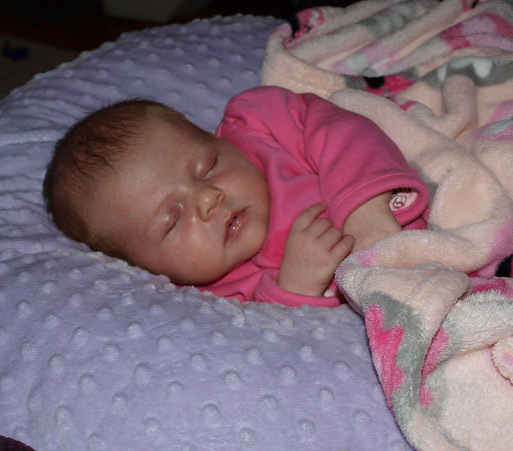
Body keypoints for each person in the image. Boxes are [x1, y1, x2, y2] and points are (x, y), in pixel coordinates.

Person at [43, 86, 428, 307]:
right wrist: (294, 289)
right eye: (173, 220)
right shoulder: (216, 301)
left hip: (440, 226)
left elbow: (340, 130)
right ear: (147, 268)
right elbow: (288, 352)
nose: (207, 198)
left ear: (217, 138)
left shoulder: (260, 127)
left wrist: (363, 209)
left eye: (207, 166)